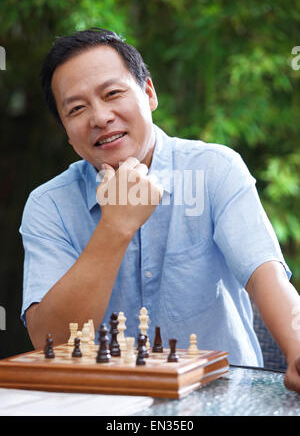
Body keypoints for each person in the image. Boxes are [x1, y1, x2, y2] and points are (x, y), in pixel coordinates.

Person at [20, 28, 300, 393]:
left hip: (223, 396)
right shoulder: (48, 205)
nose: (101, 117)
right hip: (104, 404)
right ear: (68, 135)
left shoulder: (216, 169)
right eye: (77, 109)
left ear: (149, 93)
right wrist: (114, 227)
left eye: (112, 93)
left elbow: (267, 279)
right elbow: (49, 342)